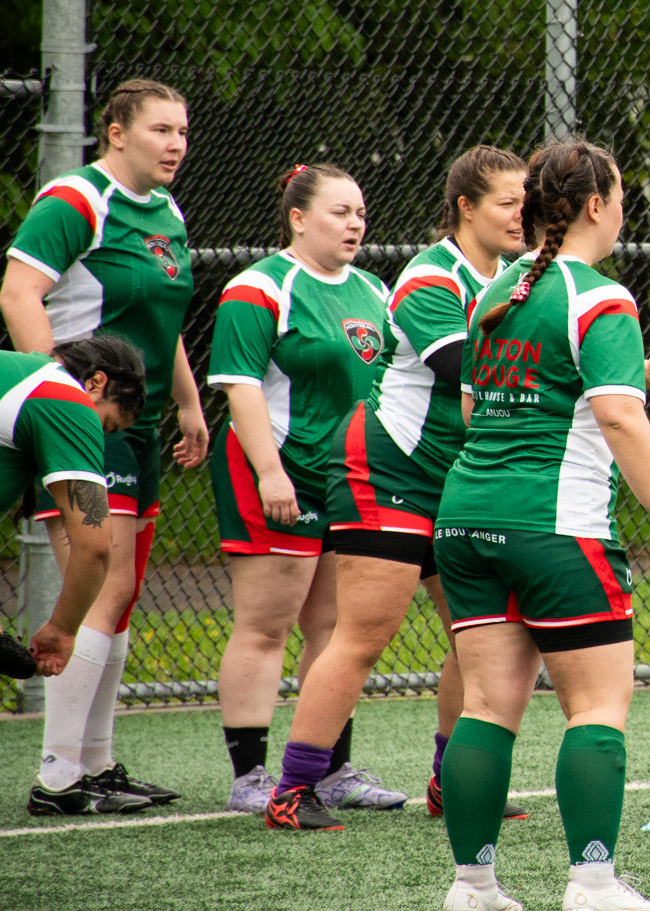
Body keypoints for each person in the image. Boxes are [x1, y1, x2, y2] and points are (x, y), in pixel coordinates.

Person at [431, 141, 650, 911]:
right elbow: (619, 415)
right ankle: (593, 883)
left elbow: (472, 407)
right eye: (618, 196)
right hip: (556, 528)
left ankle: (474, 886)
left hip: (466, 516)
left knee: (486, 705)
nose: (621, 209)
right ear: (594, 206)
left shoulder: (497, 289)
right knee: (596, 708)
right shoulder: (601, 297)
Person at [263, 146, 529, 831]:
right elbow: (466, 366)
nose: (521, 213)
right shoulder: (429, 277)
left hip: (459, 475)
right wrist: (574, 371)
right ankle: (294, 788)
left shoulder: (522, 276)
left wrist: (627, 370)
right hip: (389, 468)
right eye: (507, 200)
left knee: (483, 636)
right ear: (466, 205)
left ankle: (453, 781)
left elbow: (549, 354)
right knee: (365, 632)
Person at [3, 80, 208, 812]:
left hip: (137, 423)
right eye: (160, 128)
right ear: (115, 132)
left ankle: (97, 761)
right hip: (84, 419)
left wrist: (185, 399)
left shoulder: (168, 212)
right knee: (104, 582)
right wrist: (57, 397)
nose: (176, 142)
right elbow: (18, 291)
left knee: (120, 599)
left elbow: (163, 316)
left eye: (183, 129)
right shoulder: (78, 198)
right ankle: (58, 776)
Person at [208, 164, 391, 813]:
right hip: (278, 466)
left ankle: (329, 768)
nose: (354, 223)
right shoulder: (260, 287)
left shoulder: (373, 287)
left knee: (334, 625)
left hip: (346, 477)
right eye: (340, 211)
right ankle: (250, 775)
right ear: (297, 217)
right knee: (266, 625)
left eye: (360, 213)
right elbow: (240, 384)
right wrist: (269, 472)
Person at [3, 338, 150, 812]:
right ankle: (60, 779)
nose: (98, 436)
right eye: (106, 423)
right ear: (97, 382)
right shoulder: (64, 399)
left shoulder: (20, 376)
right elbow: (94, 548)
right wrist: (64, 629)